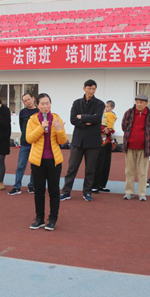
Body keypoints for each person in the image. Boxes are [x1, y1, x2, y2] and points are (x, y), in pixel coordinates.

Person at [26, 93, 68, 231]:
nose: (45, 106)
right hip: (37, 161)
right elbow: (29, 139)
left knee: (54, 190)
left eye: (47, 103)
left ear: (50, 104)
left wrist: (59, 130)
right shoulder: (32, 120)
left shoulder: (56, 118)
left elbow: (62, 141)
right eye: (42, 104)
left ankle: (53, 218)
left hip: (54, 161)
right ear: (37, 105)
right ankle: (39, 218)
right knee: (39, 191)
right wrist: (41, 127)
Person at [60, 79, 105, 202]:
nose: (91, 91)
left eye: (93, 89)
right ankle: (66, 192)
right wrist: (87, 122)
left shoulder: (100, 104)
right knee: (72, 168)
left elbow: (97, 119)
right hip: (78, 141)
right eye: (89, 88)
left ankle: (87, 192)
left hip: (93, 142)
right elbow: (73, 119)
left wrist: (82, 117)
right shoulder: (77, 103)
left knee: (90, 169)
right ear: (84, 88)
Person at [121, 95, 150, 201]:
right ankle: (129, 192)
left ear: (146, 103)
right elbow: (124, 126)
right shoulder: (129, 113)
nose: (139, 104)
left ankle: (142, 193)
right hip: (130, 146)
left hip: (144, 148)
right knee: (129, 171)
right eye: (137, 102)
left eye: (141, 102)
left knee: (143, 172)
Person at [9, 92, 39, 196]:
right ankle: (17, 187)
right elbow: (22, 126)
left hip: (36, 144)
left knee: (34, 166)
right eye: (25, 101)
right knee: (20, 165)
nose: (27, 102)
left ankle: (32, 185)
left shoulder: (39, 111)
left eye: (28, 99)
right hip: (25, 143)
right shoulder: (23, 112)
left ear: (33, 98)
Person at [92, 100, 117, 193]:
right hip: (101, 142)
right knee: (99, 163)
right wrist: (104, 130)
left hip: (108, 142)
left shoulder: (111, 115)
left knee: (106, 164)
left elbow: (112, 128)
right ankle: (94, 185)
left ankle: (102, 185)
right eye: (105, 107)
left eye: (107, 107)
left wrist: (110, 130)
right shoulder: (100, 115)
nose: (106, 108)